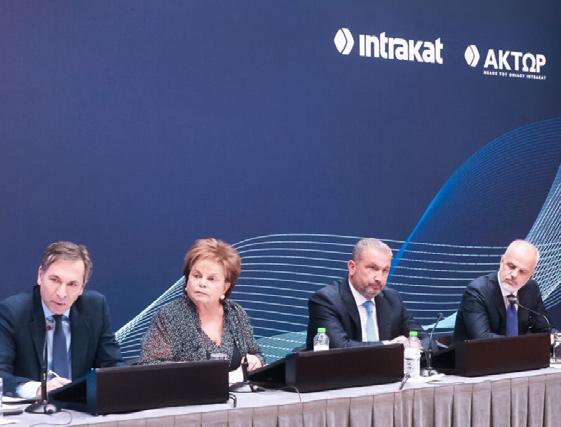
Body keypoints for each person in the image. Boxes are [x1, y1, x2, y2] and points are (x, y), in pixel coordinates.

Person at [0, 241, 123, 398]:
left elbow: (112, 365)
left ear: (82, 288)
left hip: (80, 407)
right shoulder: (12, 312)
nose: (61, 293)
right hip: (32, 409)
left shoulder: (95, 308)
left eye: (72, 284)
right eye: (55, 280)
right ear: (40, 276)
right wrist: (38, 389)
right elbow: (1, 375)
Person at [139, 238, 264, 371]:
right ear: (187, 280)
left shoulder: (236, 313)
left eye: (211, 279)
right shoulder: (169, 316)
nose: (202, 283)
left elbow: (256, 353)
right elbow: (149, 365)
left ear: (225, 288)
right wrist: (189, 370)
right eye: (197, 276)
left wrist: (256, 360)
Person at [306, 238, 425, 349]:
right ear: (352, 267)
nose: (379, 278)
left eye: (385, 270)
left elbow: (424, 340)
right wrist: (389, 346)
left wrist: (412, 344)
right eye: (373, 268)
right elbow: (338, 347)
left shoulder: (392, 299)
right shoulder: (326, 300)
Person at [453, 239, 550, 341]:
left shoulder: (531, 288)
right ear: (502, 261)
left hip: (518, 351)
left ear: (531, 274)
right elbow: (481, 339)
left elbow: (545, 329)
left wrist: (554, 338)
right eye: (511, 266)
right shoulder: (477, 291)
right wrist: (525, 344)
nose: (514, 275)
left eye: (522, 271)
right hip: (476, 351)